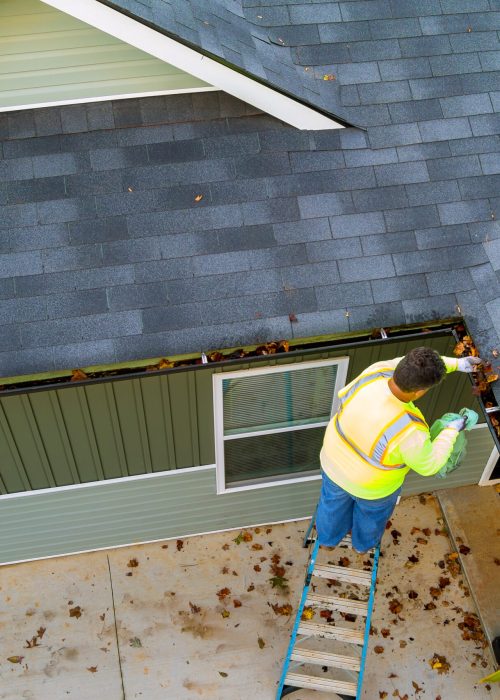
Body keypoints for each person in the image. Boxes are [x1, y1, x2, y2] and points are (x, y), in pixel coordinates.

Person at [316, 346, 481, 553]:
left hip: (333, 464)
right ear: (420, 391)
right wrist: (451, 430)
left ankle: (328, 540)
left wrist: (457, 364)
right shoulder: (409, 430)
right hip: (372, 489)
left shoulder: (376, 372)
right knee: (370, 519)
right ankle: (361, 546)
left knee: (331, 507)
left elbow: (411, 363)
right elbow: (429, 465)